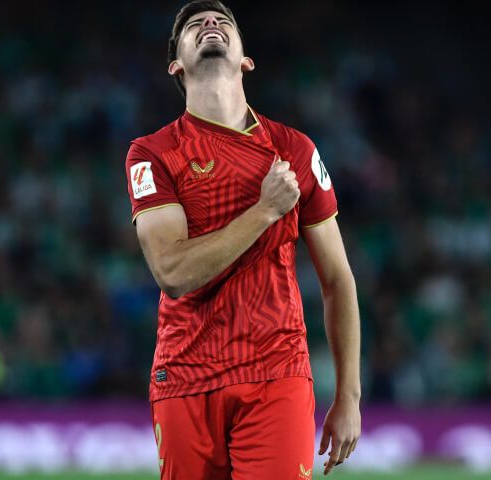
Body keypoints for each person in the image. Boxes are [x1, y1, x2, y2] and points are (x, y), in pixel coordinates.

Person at [124, 1, 362, 478]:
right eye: (195, 25)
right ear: (177, 64)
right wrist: (265, 210)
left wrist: (349, 397)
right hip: (186, 375)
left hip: (276, 372)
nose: (210, 24)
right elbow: (172, 274)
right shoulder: (152, 155)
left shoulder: (294, 150)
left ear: (245, 59)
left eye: (222, 22)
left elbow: (337, 279)